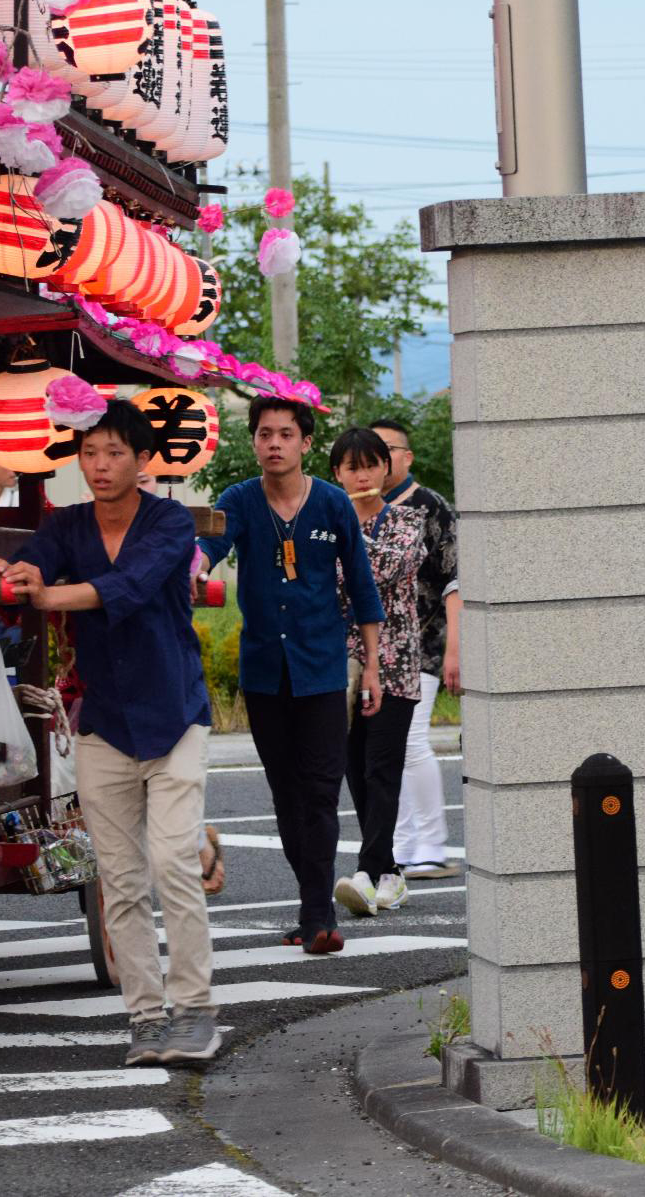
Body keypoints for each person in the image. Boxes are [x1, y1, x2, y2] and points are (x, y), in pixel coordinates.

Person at [0, 396, 221, 1065]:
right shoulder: (70, 524)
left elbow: (129, 588)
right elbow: (35, 561)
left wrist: (48, 596)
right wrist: (2, 573)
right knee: (122, 877)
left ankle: (194, 1010)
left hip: (176, 717)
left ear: (142, 461)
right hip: (103, 723)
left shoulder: (168, 521)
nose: (101, 464)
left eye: (114, 452)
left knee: (171, 863)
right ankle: (146, 1016)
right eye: (91, 452)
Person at [199, 398, 383, 956]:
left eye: (285, 434)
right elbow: (208, 544)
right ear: (254, 442)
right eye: (263, 434)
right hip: (264, 672)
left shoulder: (331, 504)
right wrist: (197, 566)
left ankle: (317, 913)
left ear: (305, 443)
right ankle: (313, 906)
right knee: (286, 794)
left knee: (322, 792)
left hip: (323, 669)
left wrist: (371, 666)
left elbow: (361, 586)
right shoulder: (239, 500)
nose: (273, 443)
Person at [327, 427, 428, 917]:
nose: (363, 474)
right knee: (355, 771)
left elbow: (382, 570)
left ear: (386, 469)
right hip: (340, 666)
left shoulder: (407, 521)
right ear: (336, 475)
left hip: (395, 665)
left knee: (381, 768)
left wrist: (342, 545)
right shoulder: (326, 523)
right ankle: (389, 873)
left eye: (371, 464)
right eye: (351, 467)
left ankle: (367, 874)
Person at [367, 416, 460, 881]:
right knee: (383, 750)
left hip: (422, 642)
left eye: (387, 450)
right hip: (370, 647)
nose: (379, 462)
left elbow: (455, 582)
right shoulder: (359, 508)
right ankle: (400, 844)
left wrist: (455, 651)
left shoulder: (431, 506)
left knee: (411, 742)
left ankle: (432, 844)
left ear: (406, 457)